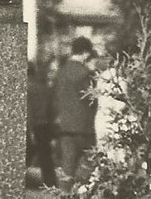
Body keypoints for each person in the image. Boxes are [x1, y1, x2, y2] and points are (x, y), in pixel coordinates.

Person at [52, 36, 98, 190]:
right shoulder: (85, 73)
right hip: (84, 128)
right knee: (87, 170)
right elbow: (92, 98)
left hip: (65, 127)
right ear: (85, 53)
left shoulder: (61, 72)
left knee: (67, 170)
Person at [26, 61, 56, 187]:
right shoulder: (43, 87)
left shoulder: (26, 87)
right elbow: (52, 108)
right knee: (45, 156)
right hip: (44, 125)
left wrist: (30, 129)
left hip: (31, 125)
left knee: (27, 154)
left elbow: (28, 111)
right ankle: (50, 182)